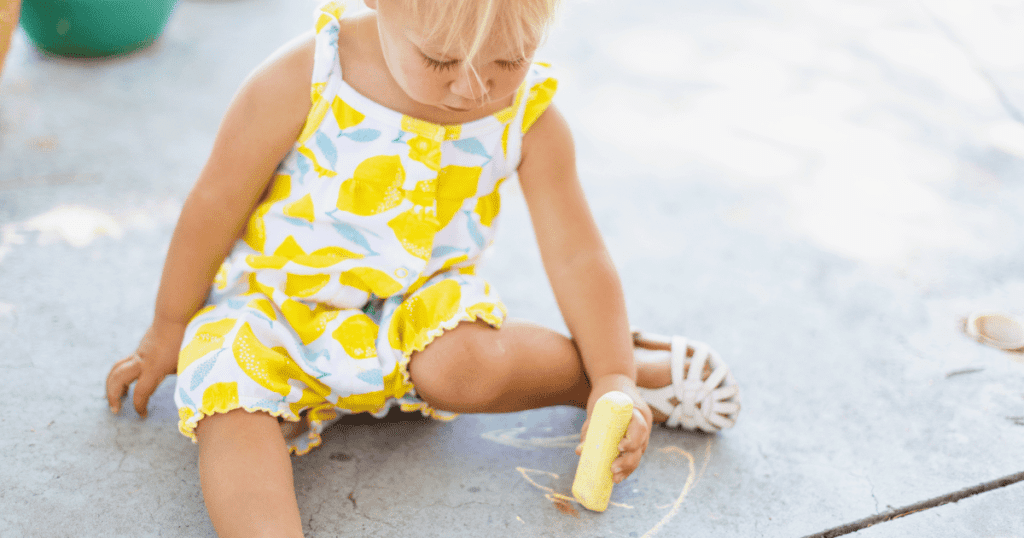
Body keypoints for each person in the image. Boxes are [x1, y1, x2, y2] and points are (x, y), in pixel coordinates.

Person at [105, 1, 741, 536]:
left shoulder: (529, 117)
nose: (474, 87)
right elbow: (216, 201)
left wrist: (613, 376)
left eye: (507, 60)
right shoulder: (308, 73)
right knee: (225, 399)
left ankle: (610, 375)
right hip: (273, 306)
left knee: (465, 368)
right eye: (440, 60)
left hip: (420, 311)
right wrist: (168, 329)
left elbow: (577, 253)